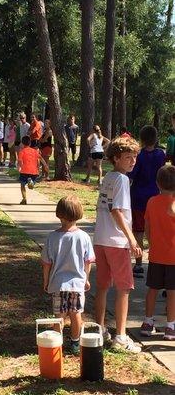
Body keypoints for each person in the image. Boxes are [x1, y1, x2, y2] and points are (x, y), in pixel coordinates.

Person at [94, 136, 142, 353]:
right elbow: (117, 211)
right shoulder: (122, 180)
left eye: (134, 157)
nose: (132, 161)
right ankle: (121, 336)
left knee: (103, 286)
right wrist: (131, 239)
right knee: (124, 288)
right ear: (115, 158)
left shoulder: (109, 177)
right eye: (127, 158)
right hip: (117, 241)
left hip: (101, 239)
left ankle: (99, 328)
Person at [41, 195, 95, 355]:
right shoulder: (83, 237)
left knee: (59, 316)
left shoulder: (52, 237)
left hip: (58, 283)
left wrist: (46, 281)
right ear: (79, 214)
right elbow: (88, 262)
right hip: (77, 284)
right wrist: (86, 279)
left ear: (59, 214)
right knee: (76, 314)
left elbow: (46, 263)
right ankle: (75, 342)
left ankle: (56, 343)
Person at [140, 165, 175, 341]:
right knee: (172, 292)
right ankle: (170, 326)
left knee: (152, 289)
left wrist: (152, 242)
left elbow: (147, 226)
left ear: (157, 183)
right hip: (173, 257)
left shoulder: (152, 202)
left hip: (156, 254)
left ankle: (147, 321)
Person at [128, 126, 165, 278]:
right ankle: (158, 262)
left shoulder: (139, 156)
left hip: (138, 197)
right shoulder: (160, 155)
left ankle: (138, 264)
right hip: (156, 195)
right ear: (156, 139)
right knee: (156, 231)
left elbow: (132, 175)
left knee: (138, 231)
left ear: (141, 139)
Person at [18, 135, 48, 205]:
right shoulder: (34, 151)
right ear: (30, 143)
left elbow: (20, 161)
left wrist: (19, 167)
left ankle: (24, 199)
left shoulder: (21, 151)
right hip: (34, 171)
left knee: (22, 185)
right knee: (31, 185)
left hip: (24, 171)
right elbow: (41, 158)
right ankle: (31, 182)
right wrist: (45, 166)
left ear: (22, 143)